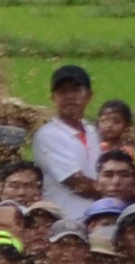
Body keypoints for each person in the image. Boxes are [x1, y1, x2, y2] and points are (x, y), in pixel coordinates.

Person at [34, 64, 101, 214]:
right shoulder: (48, 135)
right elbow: (79, 184)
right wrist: (118, 193)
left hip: (96, 219)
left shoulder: (93, 131)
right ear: (53, 98)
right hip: (64, 221)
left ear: (89, 95)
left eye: (75, 90)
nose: (69, 96)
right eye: (62, 91)